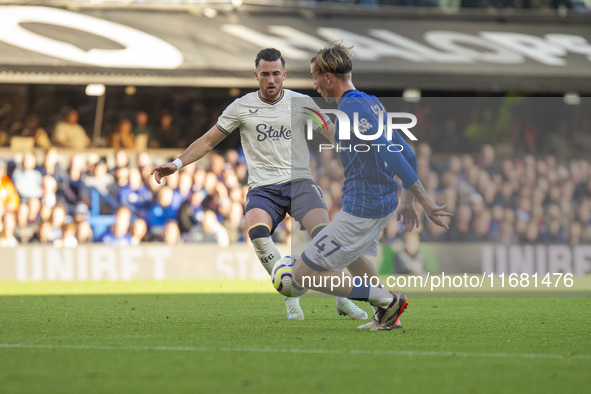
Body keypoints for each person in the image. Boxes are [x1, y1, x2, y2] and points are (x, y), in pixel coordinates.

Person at [152, 47, 370, 321]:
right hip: (264, 189)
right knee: (256, 230)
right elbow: (208, 141)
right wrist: (177, 164)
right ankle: (290, 295)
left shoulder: (301, 103)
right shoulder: (241, 107)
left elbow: (332, 132)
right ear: (256, 75)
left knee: (325, 237)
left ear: (284, 75)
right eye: (265, 74)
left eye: (276, 74)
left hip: (300, 182)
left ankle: (343, 299)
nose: (271, 79)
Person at [292, 41, 452, 331]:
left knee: (303, 274)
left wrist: (423, 199)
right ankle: (388, 316)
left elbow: (391, 152)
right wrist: (406, 201)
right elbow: (408, 151)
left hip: (362, 208)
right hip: (378, 202)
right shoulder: (369, 101)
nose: (314, 83)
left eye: (315, 76)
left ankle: (387, 300)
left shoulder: (353, 108)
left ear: (328, 77)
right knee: (353, 257)